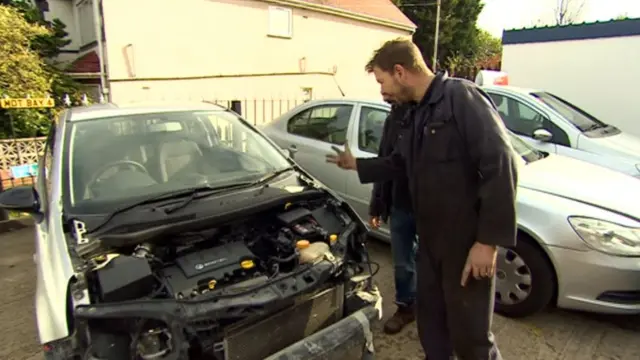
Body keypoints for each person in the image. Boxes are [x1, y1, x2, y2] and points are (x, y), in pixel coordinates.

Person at [326, 38, 518, 360]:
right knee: (432, 327)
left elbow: (501, 163)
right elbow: (401, 162)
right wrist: (358, 164)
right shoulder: (415, 113)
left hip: (463, 245)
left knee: (471, 337)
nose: (381, 88)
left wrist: (487, 242)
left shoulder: (461, 98)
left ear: (399, 72)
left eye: (382, 80)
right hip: (429, 243)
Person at [368, 100, 417, 335]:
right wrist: (376, 205)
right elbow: (383, 159)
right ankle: (406, 307)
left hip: (432, 209)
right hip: (400, 205)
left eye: (382, 80)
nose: (381, 91)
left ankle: (438, 312)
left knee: (436, 264)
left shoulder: (434, 112)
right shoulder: (395, 117)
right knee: (402, 264)